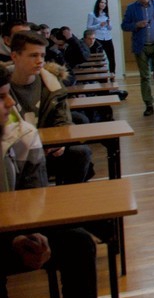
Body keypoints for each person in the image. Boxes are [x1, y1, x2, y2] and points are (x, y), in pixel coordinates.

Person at [0, 70, 105, 298]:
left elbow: (33, 194)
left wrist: (32, 234)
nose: (10, 103)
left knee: (79, 244)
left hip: (13, 231)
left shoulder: (19, 133)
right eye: (1, 97)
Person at [5, 31, 94, 184]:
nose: (40, 61)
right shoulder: (3, 86)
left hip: (47, 148)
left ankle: (67, 195)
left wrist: (60, 143)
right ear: (14, 56)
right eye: (33, 55)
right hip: (13, 151)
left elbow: (63, 120)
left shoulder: (51, 84)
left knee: (80, 152)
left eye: (42, 55)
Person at [86, 0, 116, 75]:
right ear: (98, 3)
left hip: (107, 37)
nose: (103, 4)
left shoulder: (106, 15)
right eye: (102, 2)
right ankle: (100, 75)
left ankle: (112, 74)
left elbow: (110, 28)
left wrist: (108, 24)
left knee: (111, 57)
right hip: (97, 37)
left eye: (105, 3)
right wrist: (99, 25)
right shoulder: (92, 14)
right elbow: (88, 27)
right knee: (99, 57)